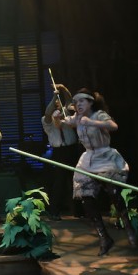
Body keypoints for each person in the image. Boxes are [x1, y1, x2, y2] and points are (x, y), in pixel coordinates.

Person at [54, 88, 136, 256]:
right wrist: (56, 118)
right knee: (86, 197)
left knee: (113, 192)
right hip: (88, 159)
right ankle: (104, 237)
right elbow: (61, 125)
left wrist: (92, 123)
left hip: (105, 156)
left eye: (82, 101)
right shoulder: (77, 118)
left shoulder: (98, 115)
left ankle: (127, 223)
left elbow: (114, 126)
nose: (78, 105)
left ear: (90, 102)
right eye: (76, 102)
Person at [41, 84, 82, 220]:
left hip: (72, 150)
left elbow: (70, 101)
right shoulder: (47, 120)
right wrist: (54, 97)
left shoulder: (66, 114)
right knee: (59, 182)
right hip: (59, 152)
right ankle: (55, 212)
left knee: (77, 180)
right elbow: (48, 112)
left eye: (58, 102)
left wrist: (64, 89)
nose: (57, 105)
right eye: (55, 104)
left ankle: (79, 211)